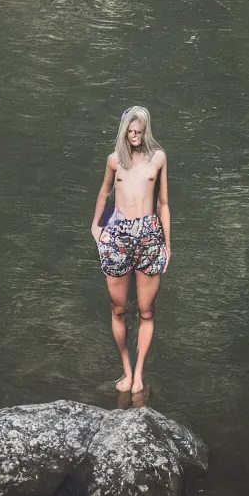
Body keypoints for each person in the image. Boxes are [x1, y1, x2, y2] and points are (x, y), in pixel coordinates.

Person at [90, 106, 171, 394]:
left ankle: (138, 375)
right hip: (118, 235)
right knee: (119, 308)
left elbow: (163, 204)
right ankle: (125, 370)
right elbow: (103, 193)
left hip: (149, 235)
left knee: (146, 312)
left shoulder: (158, 158)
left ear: (146, 131)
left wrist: (167, 245)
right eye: (130, 131)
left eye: (139, 131)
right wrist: (95, 227)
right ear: (124, 131)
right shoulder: (114, 161)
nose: (134, 136)